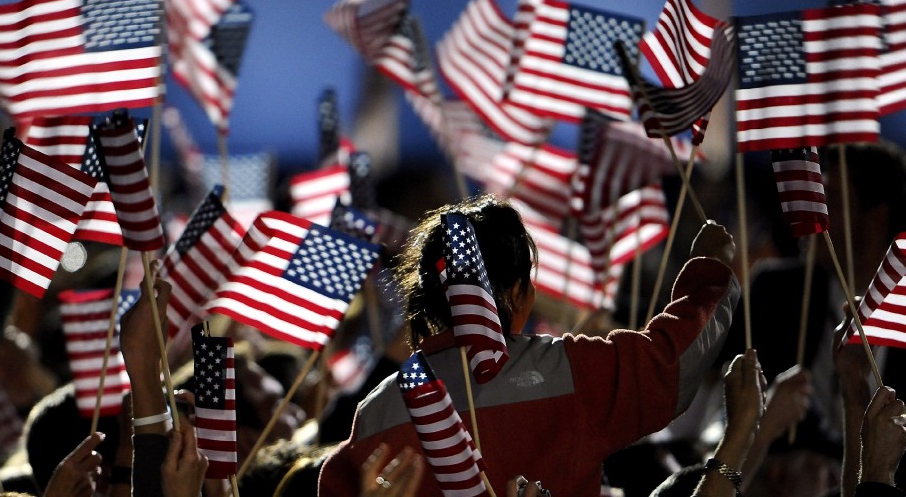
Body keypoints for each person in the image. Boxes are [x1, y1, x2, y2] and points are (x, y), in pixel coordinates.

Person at [317, 194, 740, 496]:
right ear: (519, 296)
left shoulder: (373, 416)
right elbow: (673, 361)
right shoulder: (570, 371)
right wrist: (711, 270)